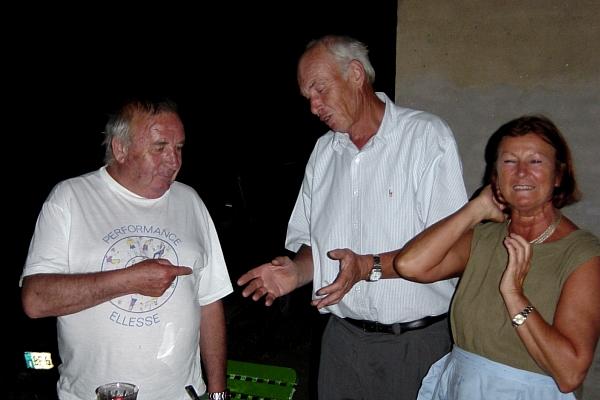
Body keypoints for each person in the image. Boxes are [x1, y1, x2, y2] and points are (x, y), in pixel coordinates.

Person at [237, 35, 468, 399]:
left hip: (415, 344)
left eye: (320, 89)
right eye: (307, 97)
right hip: (342, 343)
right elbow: (315, 243)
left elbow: (453, 251)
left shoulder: (425, 137)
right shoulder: (324, 153)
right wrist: (296, 271)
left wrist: (368, 267)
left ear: (356, 74)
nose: (314, 107)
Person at [330, 115, 600, 399]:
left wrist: (514, 296)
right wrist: (476, 209)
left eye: (535, 161)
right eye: (509, 161)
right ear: (495, 176)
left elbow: (569, 374)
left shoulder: (582, 254)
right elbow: (410, 265)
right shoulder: (485, 238)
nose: (521, 172)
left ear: (559, 175)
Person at [20, 99, 233, 400]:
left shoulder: (190, 202)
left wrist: (217, 392)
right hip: (91, 395)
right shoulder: (71, 198)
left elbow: (209, 302)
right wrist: (128, 280)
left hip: (183, 394)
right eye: (159, 148)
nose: (174, 161)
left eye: (179, 148)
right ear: (120, 149)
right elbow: (35, 300)